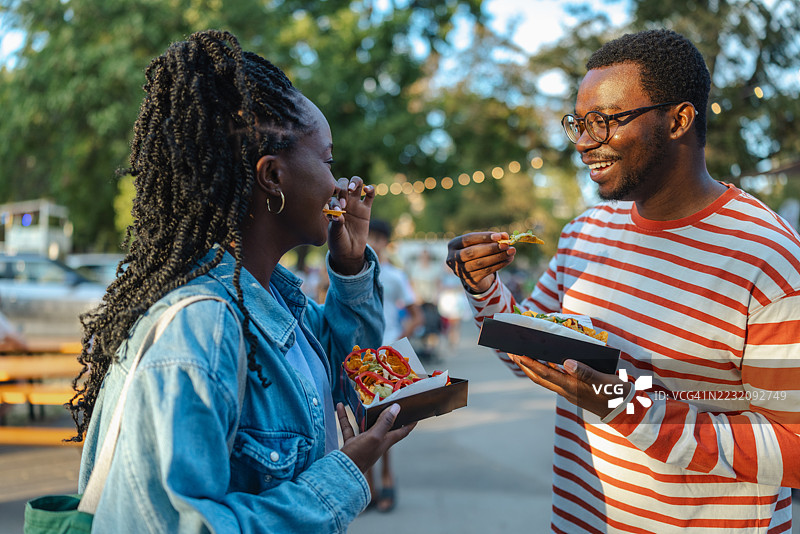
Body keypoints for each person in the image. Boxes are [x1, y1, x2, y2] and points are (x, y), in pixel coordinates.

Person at [446, 29, 800, 533]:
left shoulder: (767, 255)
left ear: (679, 119)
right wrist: (482, 288)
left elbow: (793, 445)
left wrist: (626, 406)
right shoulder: (585, 233)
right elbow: (529, 357)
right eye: (579, 123)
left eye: (605, 122)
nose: (586, 144)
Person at [69, 30, 414, 533]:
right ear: (272, 177)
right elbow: (186, 526)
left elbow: (350, 372)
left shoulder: (275, 296)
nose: (341, 184)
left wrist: (351, 265)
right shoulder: (204, 327)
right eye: (328, 160)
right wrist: (342, 475)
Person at [365, 218, 424, 513]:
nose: (373, 243)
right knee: (361, 424)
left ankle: (387, 480)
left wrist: (396, 346)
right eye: (369, 237)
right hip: (360, 361)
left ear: (386, 242)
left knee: (387, 422)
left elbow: (417, 316)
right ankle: (369, 487)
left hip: (387, 360)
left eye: (378, 238)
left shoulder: (395, 276)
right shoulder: (353, 273)